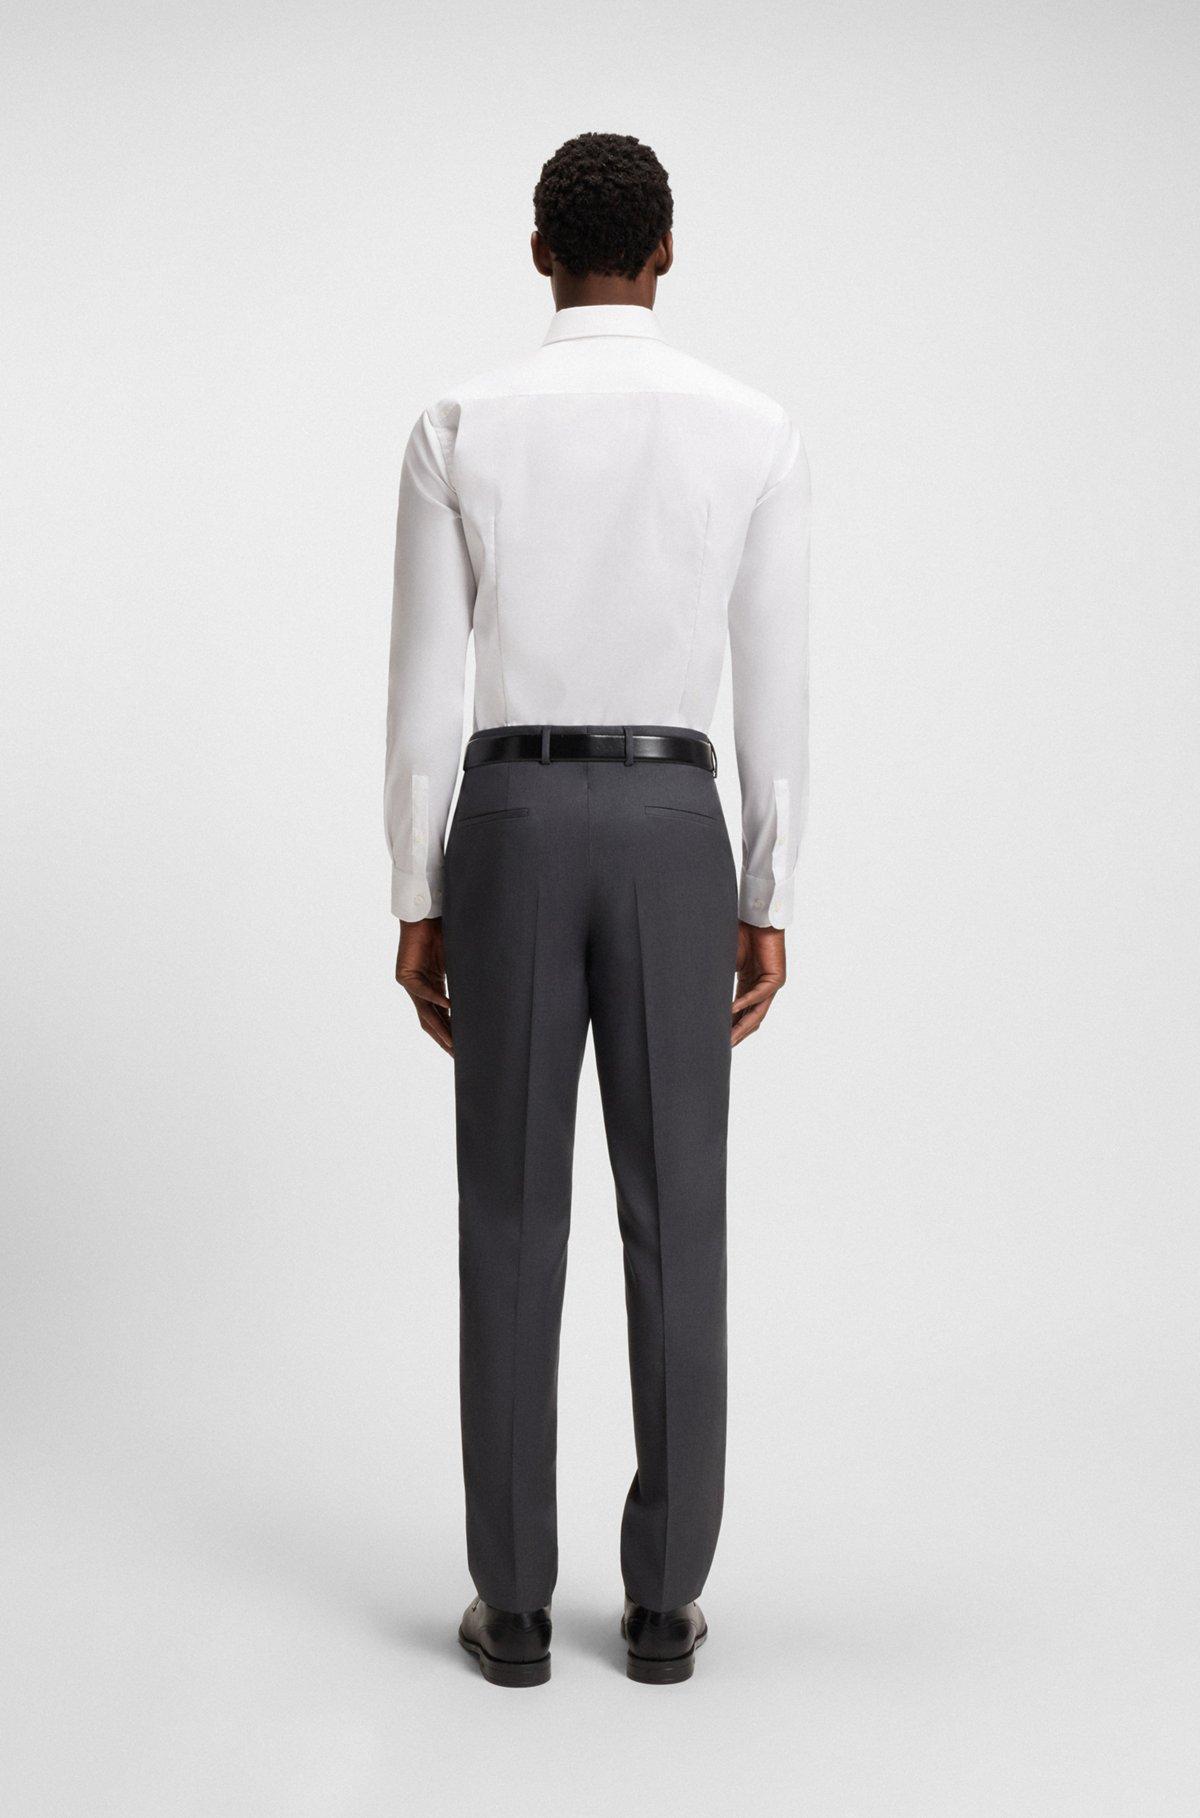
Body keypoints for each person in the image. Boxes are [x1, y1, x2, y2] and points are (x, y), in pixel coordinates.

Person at [385, 132, 810, 1686]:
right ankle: (663, 1603)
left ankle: (511, 1606)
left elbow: (424, 683)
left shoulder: (459, 422)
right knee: (676, 1210)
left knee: (510, 1211)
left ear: (539, 252)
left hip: (507, 820)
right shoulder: (752, 429)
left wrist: (418, 889)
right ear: (667, 251)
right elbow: (774, 681)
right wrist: (765, 888)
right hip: (672, 819)